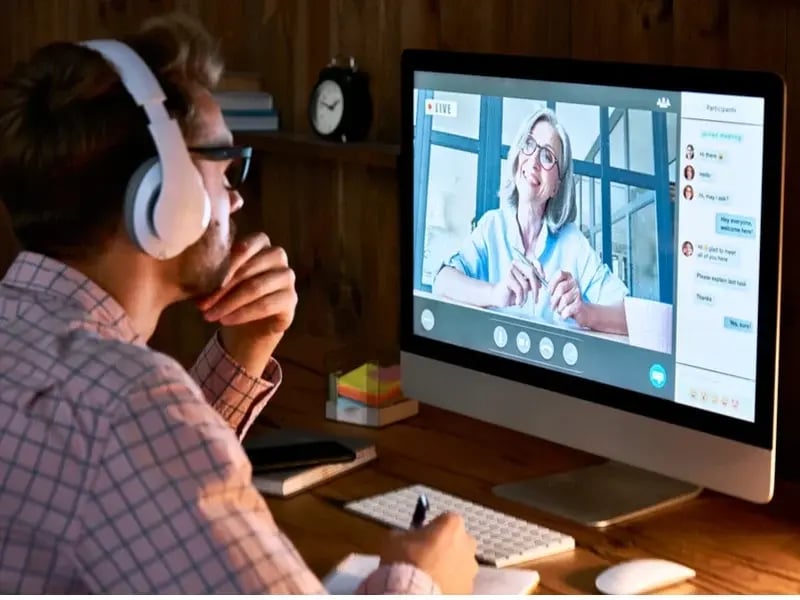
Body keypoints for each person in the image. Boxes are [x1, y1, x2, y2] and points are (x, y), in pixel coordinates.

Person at [0, 13, 477, 595]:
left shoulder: (33, 347)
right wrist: (423, 578)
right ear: (164, 196)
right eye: (224, 163)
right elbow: (129, 439)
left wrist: (243, 354)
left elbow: (141, 490)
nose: (236, 194)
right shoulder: (125, 405)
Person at [432, 107, 628, 335]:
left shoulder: (574, 243)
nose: (534, 161)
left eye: (547, 156)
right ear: (517, 159)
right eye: (528, 145)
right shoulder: (491, 227)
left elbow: (629, 316)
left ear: (557, 186)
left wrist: (585, 312)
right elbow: (442, 283)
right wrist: (495, 293)